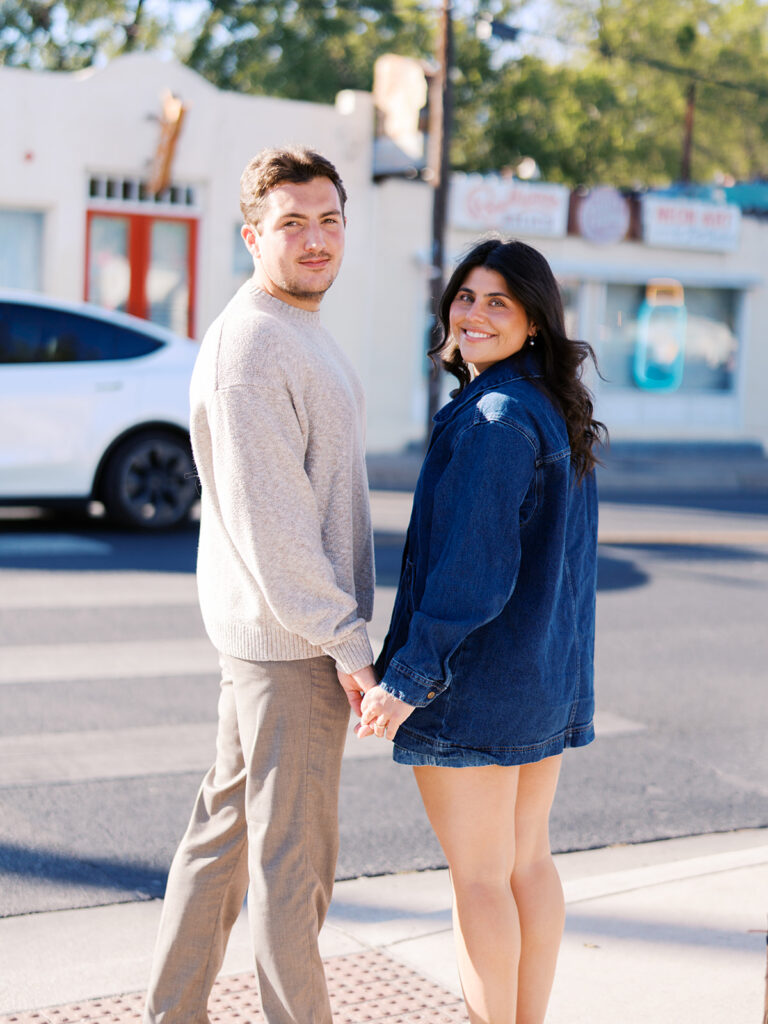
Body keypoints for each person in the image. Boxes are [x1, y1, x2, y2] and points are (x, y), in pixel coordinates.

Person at [143, 146, 377, 1024]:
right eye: (292, 224)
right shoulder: (254, 346)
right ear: (253, 236)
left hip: (270, 637)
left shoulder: (292, 328)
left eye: (328, 220)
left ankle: (173, 1014)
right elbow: (276, 531)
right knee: (295, 871)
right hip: (292, 648)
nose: (315, 240)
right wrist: (349, 649)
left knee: (225, 839)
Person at [358, 238, 607, 1024]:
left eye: (498, 301)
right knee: (525, 865)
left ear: (535, 321)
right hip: (539, 677)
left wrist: (406, 681)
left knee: (479, 879)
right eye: (466, 297)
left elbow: (474, 573)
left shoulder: (496, 419)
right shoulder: (547, 408)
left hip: (479, 683)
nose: (473, 314)